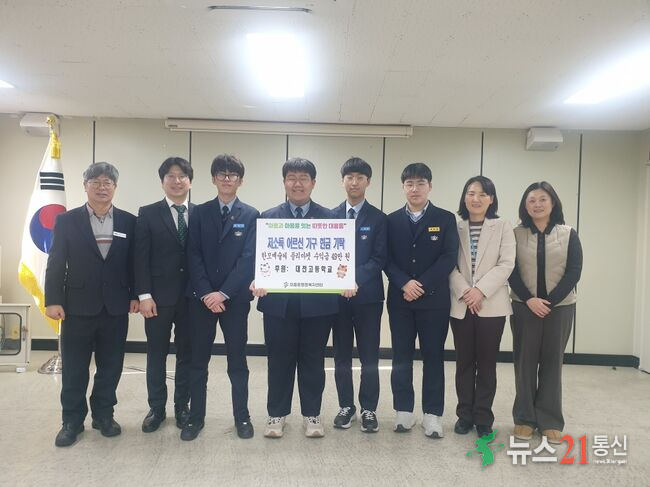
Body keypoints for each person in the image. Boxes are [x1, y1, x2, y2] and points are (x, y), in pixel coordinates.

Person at [45, 162, 138, 447]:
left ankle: (104, 415)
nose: (101, 187)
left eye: (107, 182)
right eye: (95, 182)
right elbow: (56, 261)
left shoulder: (129, 221)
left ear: (115, 187)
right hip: (76, 306)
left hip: (115, 307)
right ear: (85, 186)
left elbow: (134, 263)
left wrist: (135, 295)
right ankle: (72, 421)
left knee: (111, 367)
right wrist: (53, 300)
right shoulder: (67, 220)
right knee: (74, 368)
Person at [251, 157, 338, 439]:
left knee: (313, 360)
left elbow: (340, 260)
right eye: (292, 178)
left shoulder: (331, 219)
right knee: (279, 360)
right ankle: (276, 414)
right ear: (284, 182)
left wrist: (345, 279)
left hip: (318, 305)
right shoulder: (267, 218)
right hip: (278, 304)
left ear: (313, 183)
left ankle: (312, 414)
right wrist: (256, 278)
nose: (297, 183)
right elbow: (255, 257)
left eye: (303, 178)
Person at [182, 154, 259, 441]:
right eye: (222, 174)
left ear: (241, 181)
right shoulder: (199, 213)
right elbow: (193, 255)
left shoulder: (251, 215)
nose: (227, 179)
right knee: (198, 361)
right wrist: (207, 293)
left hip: (234, 301)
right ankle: (195, 418)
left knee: (238, 362)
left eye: (232, 175)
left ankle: (242, 417)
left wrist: (224, 293)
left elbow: (248, 259)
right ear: (213, 179)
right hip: (201, 301)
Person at [385, 162, 458, 438]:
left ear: (430, 186)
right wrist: (404, 282)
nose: (414, 188)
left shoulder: (445, 218)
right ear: (403, 187)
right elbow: (385, 258)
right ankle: (404, 410)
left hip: (434, 301)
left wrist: (422, 285)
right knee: (401, 355)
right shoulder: (391, 220)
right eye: (409, 184)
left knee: (433, 356)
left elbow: (448, 257)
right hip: (400, 299)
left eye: (420, 183)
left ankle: (432, 414)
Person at [508, 181, 582, 445]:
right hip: (523, 306)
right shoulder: (516, 234)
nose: (537, 205)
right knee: (524, 363)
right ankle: (525, 418)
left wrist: (549, 302)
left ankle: (550, 420)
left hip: (560, 308)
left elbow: (574, 271)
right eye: (531, 200)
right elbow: (510, 270)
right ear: (524, 205)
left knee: (552, 362)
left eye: (542, 199)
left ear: (553, 203)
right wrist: (530, 300)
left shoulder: (568, 233)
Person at [449, 176, 515, 438]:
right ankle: (465, 415)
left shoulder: (503, 226)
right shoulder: (455, 227)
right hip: (462, 303)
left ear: (491, 199)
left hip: (492, 304)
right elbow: (448, 263)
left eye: (482, 194)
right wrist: (466, 291)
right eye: (470, 193)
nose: (475, 199)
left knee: (487, 363)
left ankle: (483, 417)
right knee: (464, 362)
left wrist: (480, 290)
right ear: (464, 197)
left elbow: (506, 263)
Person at [134, 157, 194, 433]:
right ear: (162, 182)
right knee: (156, 354)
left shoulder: (200, 213)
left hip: (191, 298)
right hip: (157, 298)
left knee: (186, 355)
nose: (177, 180)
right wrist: (144, 295)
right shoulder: (148, 213)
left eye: (182, 176)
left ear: (190, 181)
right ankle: (156, 408)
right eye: (170, 176)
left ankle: (183, 407)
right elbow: (140, 257)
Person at [331, 157, 387, 432]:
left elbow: (380, 258)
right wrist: (340, 281)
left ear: (368, 182)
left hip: (368, 298)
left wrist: (354, 279)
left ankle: (368, 409)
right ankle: (346, 406)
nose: (354, 182)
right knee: (341, 355)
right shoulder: (329, 217)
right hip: (337, 298)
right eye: (349, 177)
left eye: (360, 178)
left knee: (369, 356)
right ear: (342, 181)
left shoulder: (379, 218)